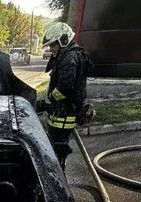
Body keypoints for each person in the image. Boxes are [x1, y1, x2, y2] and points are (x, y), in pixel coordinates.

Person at [35, 22, 91, 169]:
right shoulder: (67, 55)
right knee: (55, 149)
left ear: (63, 40)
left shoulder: (69, 59)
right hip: (61, 114)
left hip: (63, 116)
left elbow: (64, 88)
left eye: (53, 45)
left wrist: (48, 101)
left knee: (57, 152)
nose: (51, 48)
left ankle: (58, 180)